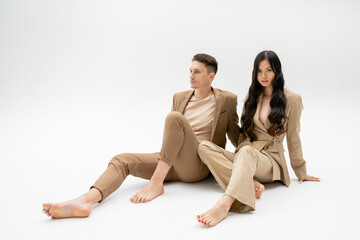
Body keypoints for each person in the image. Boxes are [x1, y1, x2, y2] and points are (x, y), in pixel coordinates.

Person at [42, 53, 245, 219]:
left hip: (198, 164)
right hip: (172, 160)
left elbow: (236, 136)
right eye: (190, 71)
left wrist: (248, 166)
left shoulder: (226, 99)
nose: (191, 76)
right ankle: (86, 200)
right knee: (122, 160)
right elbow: (174, 135)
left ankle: (156, 184)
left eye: (197, 72)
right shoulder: (180, 97)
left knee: (174, 118)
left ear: (211, 76)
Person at [196, 50, 320, 227]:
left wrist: (301, 171)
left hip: (270, 161)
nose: (263, 75)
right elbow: (245, 133)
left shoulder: (292, 99)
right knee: (203, 147)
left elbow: (294, 137)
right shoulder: (253, 96)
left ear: (277, 71)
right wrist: (238, 154)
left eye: (268, 70)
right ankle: (252, 182)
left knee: (246, 151)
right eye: (259, 71)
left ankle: (225, 204)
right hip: (247, 154)